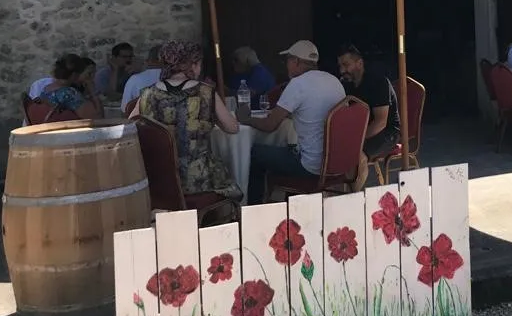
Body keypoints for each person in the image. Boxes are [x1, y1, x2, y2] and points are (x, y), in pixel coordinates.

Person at [129, 41, 241, 200]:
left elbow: (130, 129)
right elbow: (232, 128)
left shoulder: (147, 94)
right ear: (192, 65)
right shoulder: (205, 92)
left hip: (160, 179)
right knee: (233, 192)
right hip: (201, 181)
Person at [245, 40, 346, 204]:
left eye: (287, 61)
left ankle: (253, 208)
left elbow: (270, 125)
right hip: (337, 163)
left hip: (311, 166)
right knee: (287, 147)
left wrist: (246, 119)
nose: (287, 66)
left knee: (255, 153)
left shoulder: (298, 84)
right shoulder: (334, 81)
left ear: (296, 61)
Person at [338, 44, 401, 159]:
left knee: (357, 155)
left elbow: (380, 122)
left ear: (359, 63)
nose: (342, 70)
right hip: (361, 131)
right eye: (340, 66)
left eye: (346, 65)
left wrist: (357, 139)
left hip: (386, 132)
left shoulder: (378, 83)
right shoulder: (346, 85)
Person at [38, 53, 103, 119]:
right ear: (74, 74)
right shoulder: (69, 93)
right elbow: (97, 118)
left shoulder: (46, 89)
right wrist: (93, 93)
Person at [121, 46, 161, 112]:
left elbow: (125, 109)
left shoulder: (134, 79)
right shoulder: (176, 78)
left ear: (148, 61)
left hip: (141, 118)